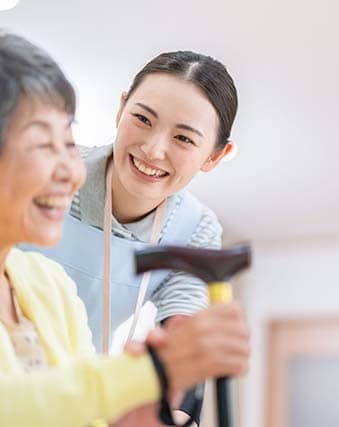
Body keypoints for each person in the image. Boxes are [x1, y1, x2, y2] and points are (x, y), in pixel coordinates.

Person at [0, 29, 249, 427]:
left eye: (68, 142)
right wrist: (143, 376)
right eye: (44, 145)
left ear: (215, 156)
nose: (74, 171)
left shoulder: (47, 284)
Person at [26, 49, 239, 425]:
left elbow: (181, 350)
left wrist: (172, 412)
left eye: (184, 139)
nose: (153, 149)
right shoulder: (48, 172)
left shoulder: (194, 231)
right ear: (121, 108)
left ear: (216, 156)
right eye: (142, 118)